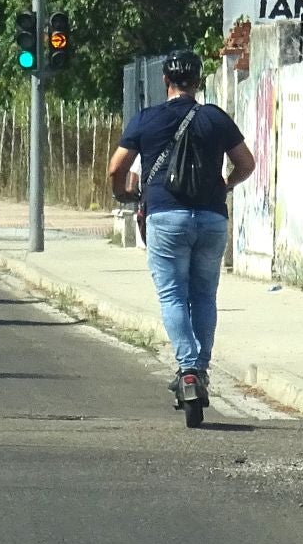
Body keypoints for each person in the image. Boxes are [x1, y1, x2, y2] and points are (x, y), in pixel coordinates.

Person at [108, 50, 256, 406]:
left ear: (165, 80)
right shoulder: (215, 118)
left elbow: (116, 168)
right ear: (199, 81)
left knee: (173, 295)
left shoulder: (146, 119)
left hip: (165, 216)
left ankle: (187, 368)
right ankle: (199, 371)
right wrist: (226, 184)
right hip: (211, 218)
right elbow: (246, 163)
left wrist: (123, 193)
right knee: (204, 295)